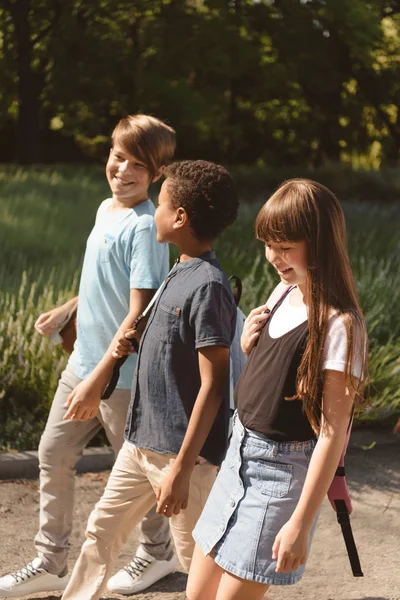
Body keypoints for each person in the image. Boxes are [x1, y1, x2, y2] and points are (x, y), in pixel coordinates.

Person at [0, 115, 178, 598]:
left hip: (122, 379)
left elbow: (140, 315)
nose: (123, 170)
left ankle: (158, 555)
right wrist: (68, 307)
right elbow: (108, 283)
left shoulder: (144, 228)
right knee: (53, 454)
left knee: (137, 471)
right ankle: (50, 562)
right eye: (119, 157)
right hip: (83, 363)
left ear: (157, 174)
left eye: (138, 165)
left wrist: (98, 380)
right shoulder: (106, 209)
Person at [60, 159, 239, 600]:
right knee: (101, 530)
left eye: (161, 204)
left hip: (182, 459)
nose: (153, 212)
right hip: (141, 444)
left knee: (198, 562)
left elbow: (214, 386)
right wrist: (136, 341)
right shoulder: (178, 271)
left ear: (180, 217)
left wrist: (179, 471)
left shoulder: (209, 286)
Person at [187, 178, 368, 600]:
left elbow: (331, 432)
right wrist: (254, 348)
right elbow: (280, 380)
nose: (274, 257)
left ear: (320, 243)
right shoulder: (285, 291)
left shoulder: (341, 325)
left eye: (286, 247)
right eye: (269, 244)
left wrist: (301, 524)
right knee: (197, 595)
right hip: (238, 456)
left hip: (281, 475)